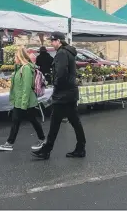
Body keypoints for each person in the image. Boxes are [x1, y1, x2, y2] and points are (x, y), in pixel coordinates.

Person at [32, 32, 86, 160]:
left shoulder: (62, 53)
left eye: (53, 41)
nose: (52, 43)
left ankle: (47, 149)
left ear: (59, 41)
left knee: (57, 122)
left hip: (63, 94)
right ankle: (80, 147)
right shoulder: (69, 52)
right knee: (72, 121)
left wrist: (55, 84)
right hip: (69, 92)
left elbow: (61, 73)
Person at [0, 47, 46, 152]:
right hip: (20, 100)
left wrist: (23, 103)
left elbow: (26, 87)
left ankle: (42, 139)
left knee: (31, 120)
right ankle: (10, 143)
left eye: (15, 56)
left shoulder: (26, 68)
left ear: (20, 57)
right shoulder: (20, 68)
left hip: (25, 101)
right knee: (17, 121)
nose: (14, 58)